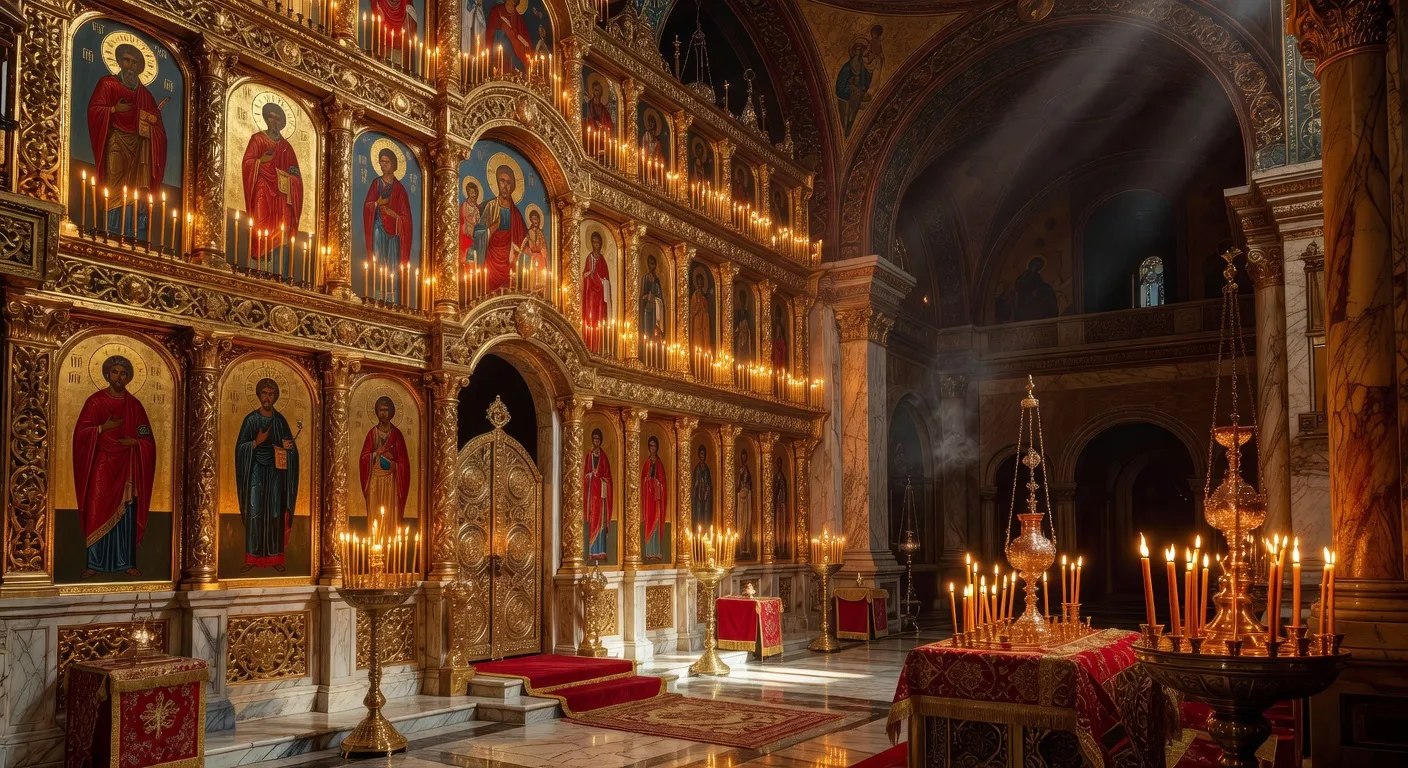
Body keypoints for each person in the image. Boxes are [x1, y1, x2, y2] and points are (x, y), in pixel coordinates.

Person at [72, 356, 156, 579]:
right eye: (115, 372)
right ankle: (94, 563)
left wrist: (136, 443)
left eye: (124, 373)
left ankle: (125, 561)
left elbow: (147, 438)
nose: (119, 377)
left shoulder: (135, 405)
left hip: (127, 467)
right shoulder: (95, 402)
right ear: (107, 374)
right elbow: (81, 433)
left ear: (129, 377)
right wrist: (102, 428)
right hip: (102, 464)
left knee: (126, 513)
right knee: (97, 509)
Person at [87, 43, 170, 236]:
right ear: (119, 62)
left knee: (136, 189)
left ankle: (134, 231)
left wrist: (153, 120)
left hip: (140, 149)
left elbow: (157, 128)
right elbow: (95, 110)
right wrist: (114, 110)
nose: (130, 66)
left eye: (135, 63)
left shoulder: (145, 94)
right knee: (114, 181)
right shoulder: (108, 84)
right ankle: (112, 228)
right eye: (127, 60)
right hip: (116, 141)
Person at [234, 378, 300, 572]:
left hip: (276, 473)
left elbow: (291, 449)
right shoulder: (251, 420)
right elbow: (240, 449)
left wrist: (289, 449)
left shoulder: (280, 421)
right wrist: (256, 442)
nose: (267, 397)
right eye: (264, 393)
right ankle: (252, 558)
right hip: (256, 471)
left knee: (275, 514)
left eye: (271, 394)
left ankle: (275, 558)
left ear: (275, 397)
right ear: (259, 395)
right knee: (255, 513)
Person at [241, 102, 303, 266]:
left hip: (281, 197)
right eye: (271, 117)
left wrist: (292, 178)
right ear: (266, 118)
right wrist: (261, 161)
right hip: (262, 188)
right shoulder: (258, 139)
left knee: (280, 230)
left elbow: (297, 176)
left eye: (277, 119)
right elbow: (247, 162)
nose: (274, 121)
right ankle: (258, 264)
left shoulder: (286, 147)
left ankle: (274, 268)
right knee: (260, 222)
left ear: (281, 122)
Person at [362, 147, 414, 301]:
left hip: (394, 234)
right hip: (378, 227)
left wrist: (396, 217)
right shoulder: (376, 184)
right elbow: (368, 205)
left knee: (392, 262)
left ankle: (390, 298)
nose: (383, 165)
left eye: (387, 162)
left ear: (394, 165)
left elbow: (407, 218)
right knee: (379, 259)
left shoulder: (400, 190)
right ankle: (378, 295)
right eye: (381, 162)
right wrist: (377, 204)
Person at [359, 396, 411, 527]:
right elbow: (364, 458)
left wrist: (393, 464)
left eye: (386, 410)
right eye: (381, 410)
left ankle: (391, 543)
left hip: (391, 483)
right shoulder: (372, 434)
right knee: (375, 513)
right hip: (374, 481)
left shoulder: (397, 435)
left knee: (389, 514)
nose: (383, 413)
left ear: (392, 412)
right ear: (377, 412)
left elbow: (404, 463)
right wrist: (377, 453)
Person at [479, 164, 527, 293]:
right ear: (497, 182)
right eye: (502, 181)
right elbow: (478, 236)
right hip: (492, 258)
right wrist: (493, 228)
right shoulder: (490, 206)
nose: (505, 186)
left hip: (509, 261)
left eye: (509, 182)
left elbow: (524, 242)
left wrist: (519, 253)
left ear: (513, 186)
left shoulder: (516, 213)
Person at [584, 429, 613, 561]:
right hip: (593, 495)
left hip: (601, 495)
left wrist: (602, 479)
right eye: (594, 438)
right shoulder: (589, 456)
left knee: (601, 522)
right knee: (593, 520)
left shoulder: (604, 457)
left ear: (600, 440)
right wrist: (591, 476)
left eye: (598, 439)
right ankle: (592, 551)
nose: (596, 441)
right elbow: (585, 475)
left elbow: (608, 477)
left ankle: (601, 551)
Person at [582, 231, 612, 353]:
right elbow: (585, 274)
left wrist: (602, 281)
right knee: (591, 319)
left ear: (601, 244)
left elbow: (607, 280)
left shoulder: (602, 260)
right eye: (594, 242)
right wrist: (590, 274)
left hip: (600, 296)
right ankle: (588, 345)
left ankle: (599, 347)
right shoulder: (589, 258)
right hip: (591, 295)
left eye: (598, 242)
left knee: (600, 319)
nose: (596, 245)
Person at [835, 38, 873, 134]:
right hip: (847, 97)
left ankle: (848, 130)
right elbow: (840, 87)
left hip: (857, 96)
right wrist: (853, 90)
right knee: (846, 119)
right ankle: (845, 130)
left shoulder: (863, 67)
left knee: (852, 119)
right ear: (853, 50)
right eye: (857, 49)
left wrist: (862, 88)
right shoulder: (847, 67)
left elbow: (865, 83)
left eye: (861, 50)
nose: (858, 51)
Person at [486, 0, 533, 71]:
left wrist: (513, 32)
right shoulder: (496, 11)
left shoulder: (519, 19)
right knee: (502, 36)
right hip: (498, 52)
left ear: (516, 2)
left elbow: (527, 44)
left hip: (515, 56)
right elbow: (490, 34)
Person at [641, 436, 667, 561]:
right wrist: (648, 481)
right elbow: (643, 481)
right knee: (649, 524)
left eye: (654, 446)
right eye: (651, 446)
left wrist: (657, 483)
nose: (653, 448)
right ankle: (649, 552)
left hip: (656, 500)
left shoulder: (660, 463)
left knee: (656, 523)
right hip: (648, 500)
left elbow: (663, 483)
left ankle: (656, 551)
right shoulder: (647, 462)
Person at [1013, 256, 1059, 321]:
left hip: (1037, 294)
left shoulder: (1037, 276)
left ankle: (1050, 314)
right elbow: (1019, 285)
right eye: (1036, 265)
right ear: (1032, 265)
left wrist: (1039, 289)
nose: (1037, 267)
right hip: (1026, 295)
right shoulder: (1026, 274)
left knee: (1048, 289)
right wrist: (1031, 290)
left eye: (1039, 266)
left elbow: (1040, 285)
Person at [640, 254, 665, 344]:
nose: (652, 266)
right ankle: (646, 345)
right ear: (647, 264)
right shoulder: (645, 278)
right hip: (647, 310)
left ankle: (656, 344)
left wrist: (655, 298)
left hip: (655, 308)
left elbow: (660, 297)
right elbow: (641, 297)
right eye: (650, 263)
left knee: (655, 331)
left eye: (653, 264)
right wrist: (647, 297)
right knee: (647, 330)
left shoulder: (657, 280)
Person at [736, 449, 754, 557]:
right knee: (741, 522)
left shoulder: (747, 470)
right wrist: (740, 476)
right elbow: (737, 485)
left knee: (747, 522)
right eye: (742, 457)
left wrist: (747, 486)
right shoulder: (740, 470)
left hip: (747, 495)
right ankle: (740, 547)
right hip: (740, 497)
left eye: (745, 457)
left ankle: (747, 547)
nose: (743, 459)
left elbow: (750, 484)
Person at [459, 178, 481, 265]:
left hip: (474, 232)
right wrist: (473, 223)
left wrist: (477, 223)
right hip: (466, 230)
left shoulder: (476, 207)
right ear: (468, 193)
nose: (473, 195)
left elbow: (478, 219)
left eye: (474, 193)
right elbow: (464, 216)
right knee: (466, 249)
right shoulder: (465, 204)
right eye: (471, 193)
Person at [691, 444, 712, 529]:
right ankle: (697, 535)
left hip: (706, 496)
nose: (702, 456)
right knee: (698, 515)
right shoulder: (697, 469)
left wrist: (707, 489)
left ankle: (706, 534)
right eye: (701, 454)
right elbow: (695, 483)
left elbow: (709, 483)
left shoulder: (707, 469)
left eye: (703, 454)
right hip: (698, 496)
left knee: (706, 516)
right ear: (699, 455)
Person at [521, 208, 549, 273]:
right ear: (531, 220)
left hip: (540, 257)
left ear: (539, 219)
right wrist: (522, 250)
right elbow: (524, 242)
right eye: (533, 219)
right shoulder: (529, 232)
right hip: (532, 257)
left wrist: (545, 258)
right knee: (531, 273)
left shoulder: (540, 233)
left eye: (536, 218)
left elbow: (543, 246)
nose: (535, 221)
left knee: (540, 273)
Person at [772, 459, 790, 560]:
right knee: (778, 525)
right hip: (778, 504)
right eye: (778, 463)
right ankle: (778, 547)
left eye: (780, 463)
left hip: (782, 503)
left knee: (783, 526)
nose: (779, 465)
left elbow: (785, 490)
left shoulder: (782, 476)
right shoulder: (777, 477)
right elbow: (775, 489)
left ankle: (783, 548)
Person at [734, 287, 753, 362]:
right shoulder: (738, 311)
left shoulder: (747, 312)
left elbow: (750, 326)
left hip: (746, 335)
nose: (743, 300)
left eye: (744, 298)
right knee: (740, 352)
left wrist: (746, 328)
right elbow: (736, 324)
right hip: (740, 335)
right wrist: (739, 328)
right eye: (742, 298)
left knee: (746, 353)